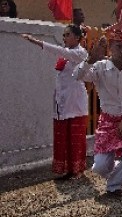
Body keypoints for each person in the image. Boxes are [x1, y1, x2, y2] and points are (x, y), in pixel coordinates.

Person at [74, 28, 122, 195]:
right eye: (119, 46)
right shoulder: (100, 68)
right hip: (108, 122)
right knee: (100, 167)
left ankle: (114, 187)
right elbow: (77, 75)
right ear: (110, 47)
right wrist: (91, 59)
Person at [22, 25, 88, 179]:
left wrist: (37, 42)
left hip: (75, 102)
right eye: (63, 35)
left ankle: (76, 170)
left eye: (67, 35)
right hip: (62, 101)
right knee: (62, 136)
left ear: (77, 38)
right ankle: (65, 168)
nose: (64, 38)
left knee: (74, 138)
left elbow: (61, 51)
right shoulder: (66, 56)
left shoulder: (80, 53)